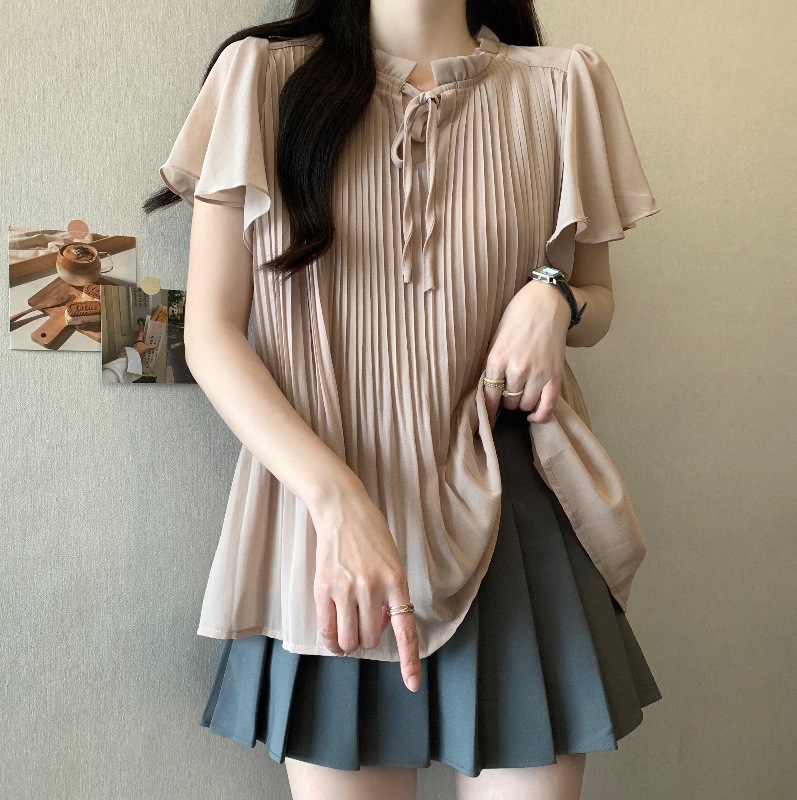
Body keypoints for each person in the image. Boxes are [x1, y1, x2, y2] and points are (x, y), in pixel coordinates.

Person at [144, 1, 663, 797]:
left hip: (513, 517)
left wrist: (554, 296)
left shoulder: (563, 85)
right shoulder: (262, 79)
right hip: (325, 530)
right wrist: (336, 503)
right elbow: (211, 334)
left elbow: (598, 300)